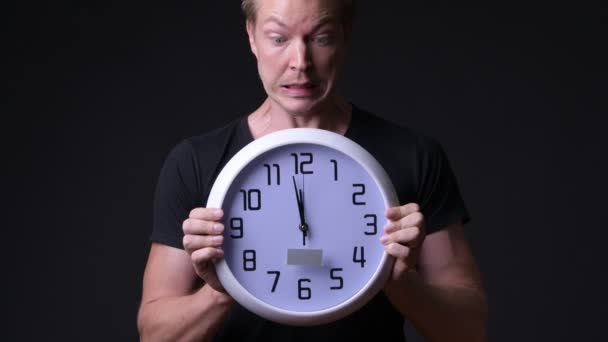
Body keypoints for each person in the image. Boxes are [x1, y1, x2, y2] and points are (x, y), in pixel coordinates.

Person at [137, 0, 488, 341]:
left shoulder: (414, 156)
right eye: (278, 38)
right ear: (251, 36)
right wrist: (222, 289)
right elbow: (154, 335)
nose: (300, 63)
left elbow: (469, 331)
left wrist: (400, 281)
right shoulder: (196, 161)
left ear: (345, 35)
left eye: (320, 38)